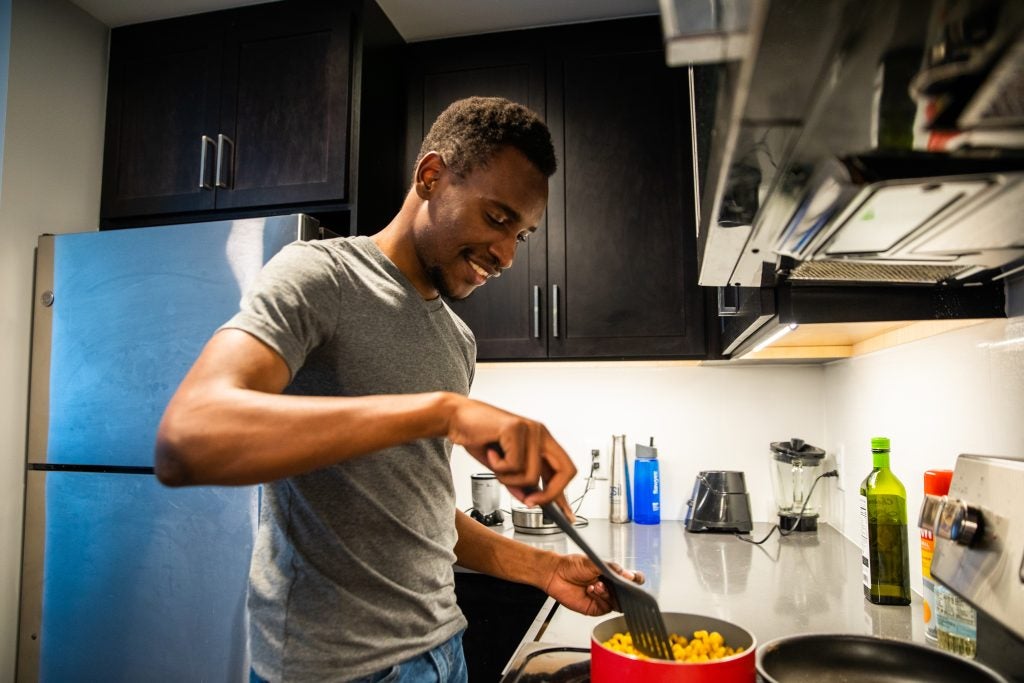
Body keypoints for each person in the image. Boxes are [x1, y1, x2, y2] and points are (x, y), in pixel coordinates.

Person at [155, 96, 643, 683]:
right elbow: (187, 439)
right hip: (331, 671)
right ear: (432, 176)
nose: (508, 254)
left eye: (523, 234)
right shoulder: (320, 275)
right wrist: (441, 413)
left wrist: (543, 569)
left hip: (442, 652)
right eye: (497, 218)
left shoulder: (457, 339)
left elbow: (419, 512)